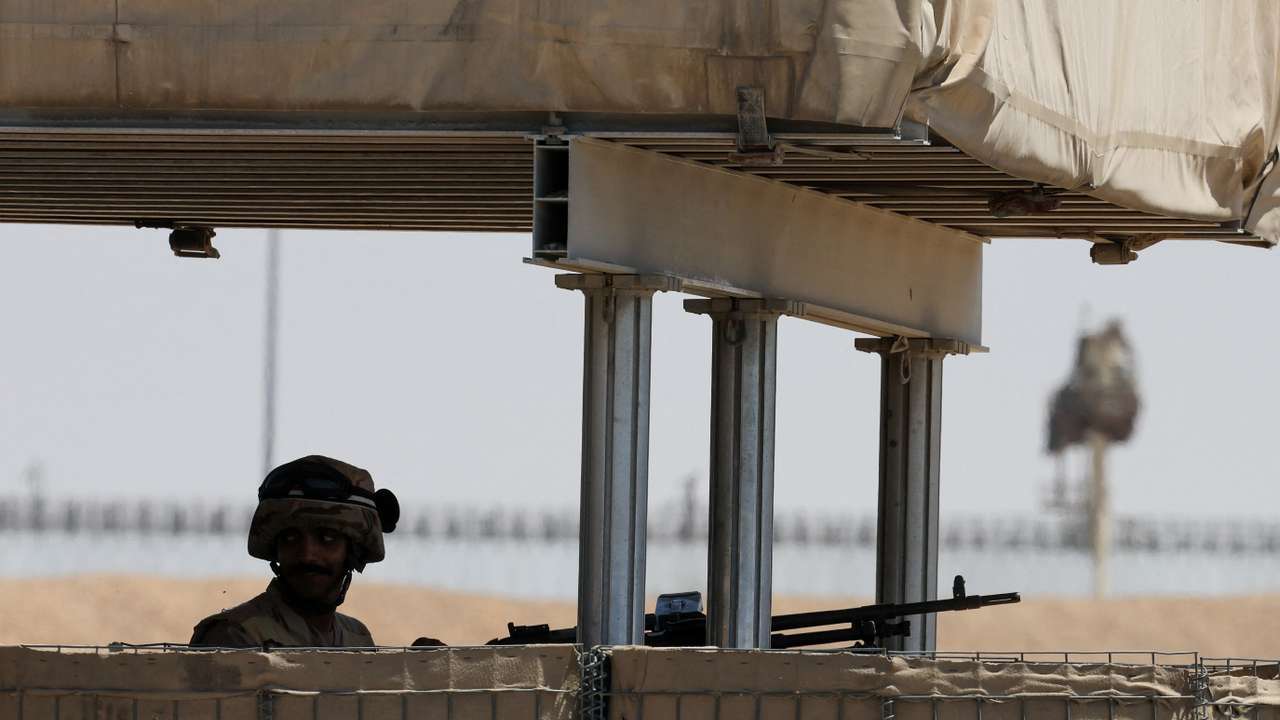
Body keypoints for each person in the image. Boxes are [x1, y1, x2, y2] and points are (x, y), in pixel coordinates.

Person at [189, 455, 400, 648]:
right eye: (291, 538)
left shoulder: (357, 638)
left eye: (327, 539)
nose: (307, 554)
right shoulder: (235, 636)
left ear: (353, 553)